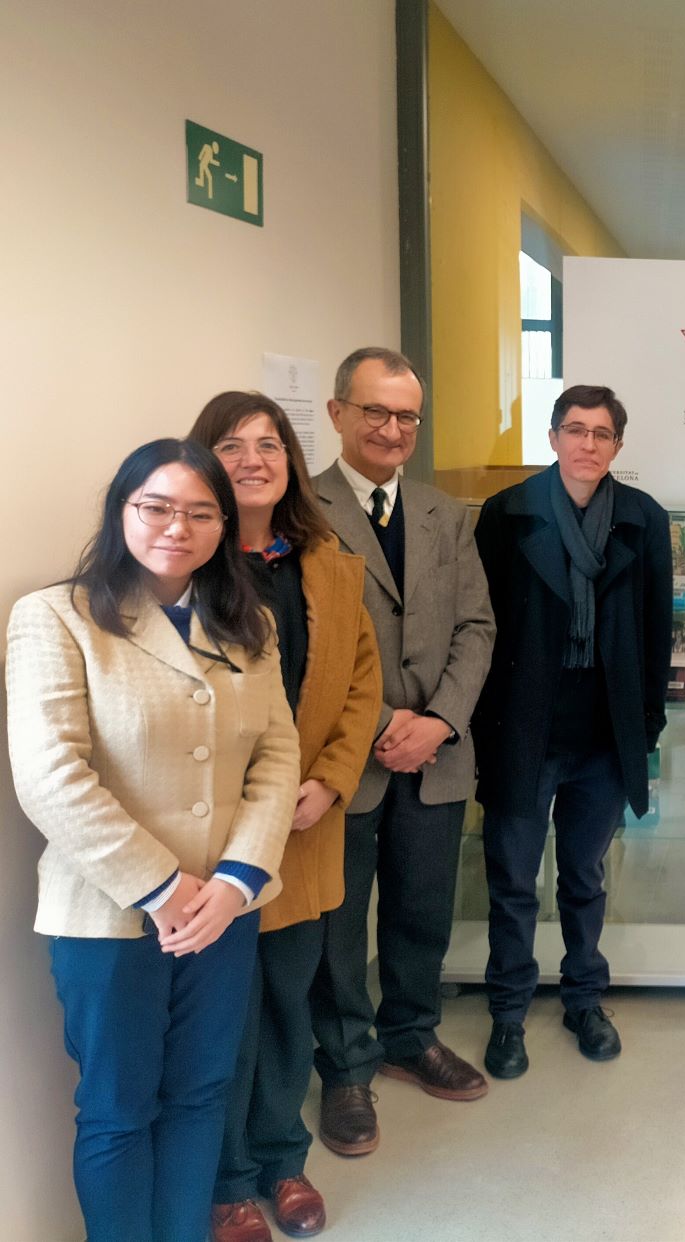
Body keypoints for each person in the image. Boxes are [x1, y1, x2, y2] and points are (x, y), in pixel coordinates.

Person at [6, 438, 298, 1242]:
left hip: (224, 911)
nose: (178, 527)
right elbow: (50, 776)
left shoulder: (249, 624)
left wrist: (236, 881)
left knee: (200, 1096)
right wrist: (164, 889)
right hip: (110, 914)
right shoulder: (55, 617)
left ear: (224, 526)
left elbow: (277, 756)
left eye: (202, 513)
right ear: (121, 511)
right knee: (117, 1109)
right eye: (157, 507)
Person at [188, 394, 383, 1242]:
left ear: (291, 462)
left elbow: (362, 683)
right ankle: (227, 1181)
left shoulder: (327, 563)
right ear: (204, 461)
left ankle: (281, 1158)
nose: (253, 460)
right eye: (231, 446)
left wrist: (332, 781)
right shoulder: (184, 565)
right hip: (215, 837)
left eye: (268, 445)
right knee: (223, 1018)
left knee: (287, 1005)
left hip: (304, 827)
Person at [308, 348, 495, 1155]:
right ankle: (346, 1066)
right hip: (346, 758)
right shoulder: (300, 510)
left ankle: (411, 1036)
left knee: (422, 910)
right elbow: (304, 644)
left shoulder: (444, 514)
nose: (392, 429)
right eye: (376, 411)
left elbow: (477, 627)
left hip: (436, 757)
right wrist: (388, 721)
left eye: (406, 415)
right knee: (340, 922)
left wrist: (440, 721)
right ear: (337, 412)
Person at [472, 384, 672, 1073]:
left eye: (602, 433)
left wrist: (645, 726)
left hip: (604, 736)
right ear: (553, 437)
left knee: (585, 876)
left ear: (618, 445)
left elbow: (655, 632)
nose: (588, 444)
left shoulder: (643, 518)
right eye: (576, 430)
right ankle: (508, 1014)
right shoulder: (507, 514)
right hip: (522, 730)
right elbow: (481, 628)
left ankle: (584, 999)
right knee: (513, 881)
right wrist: (483, 728)